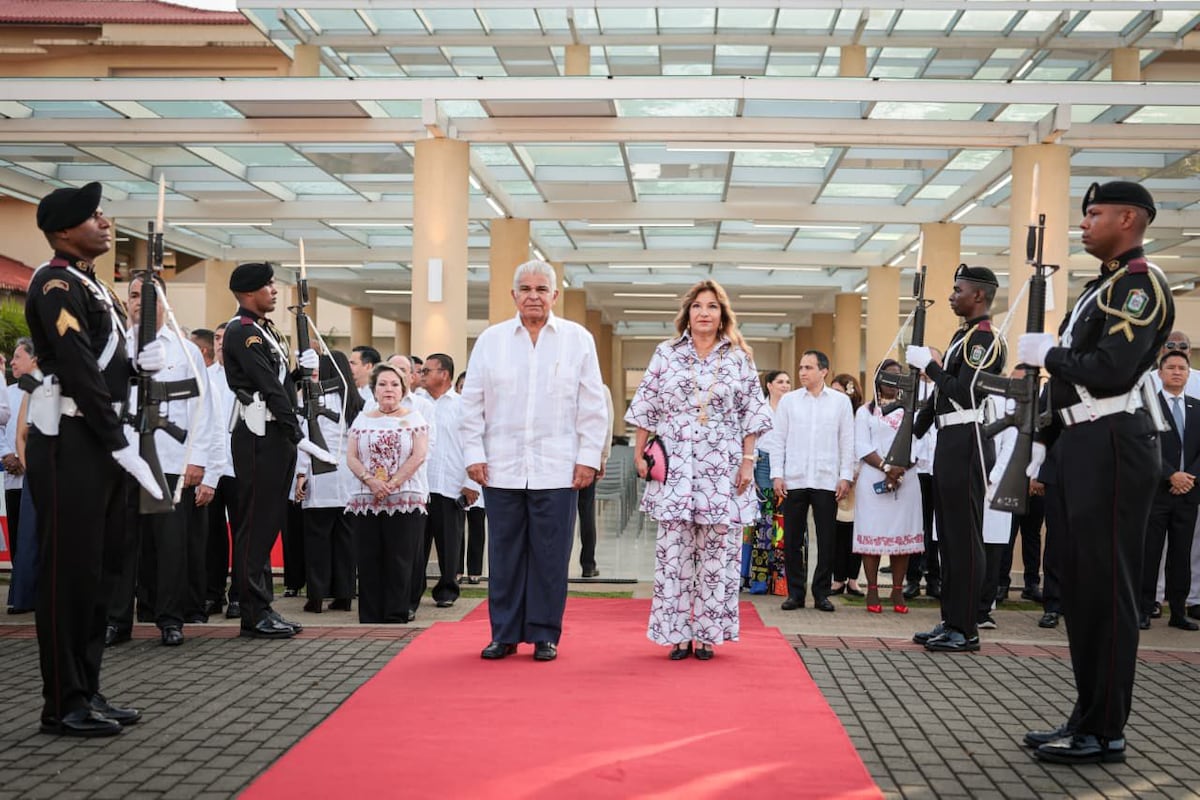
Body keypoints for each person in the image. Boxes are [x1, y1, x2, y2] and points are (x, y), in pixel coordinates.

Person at [1019, 180, 1173, 764]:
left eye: (1094, 213)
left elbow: (1112, 368)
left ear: (1129, 218)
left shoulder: (1141, 284)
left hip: (1113, 440)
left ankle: (1106, 729)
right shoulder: (1106, 284)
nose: (1083, 223)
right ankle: (1086, 714)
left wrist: (1049, 355)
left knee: (1106, 590)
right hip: (1083, 441)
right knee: (1082, 590)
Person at [25, 182, 164, 736]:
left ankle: (87, 687)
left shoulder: (91, 283)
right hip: (73, 442)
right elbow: (79, 368)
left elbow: (103, 364)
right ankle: (62, 701)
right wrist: (118, 440)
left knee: (101, 574)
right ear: (63, 230)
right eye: (93, 215)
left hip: (97, 442)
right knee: (68, 576)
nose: (105, 222)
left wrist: (136, 368)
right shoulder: (55, 282)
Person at [461, 259, 607, 662]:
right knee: (504, 554)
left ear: (555, 296)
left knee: (549, 555)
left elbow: (593, 405)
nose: (533, 296)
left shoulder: (577, 340)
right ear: (513, 295)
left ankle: (545, 633)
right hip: (501, 466)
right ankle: (503, 633)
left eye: (542, 289)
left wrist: (587, 459)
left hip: (558, 468)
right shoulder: (491, 340)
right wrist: (473, 454)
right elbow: (471, 403)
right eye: (525, 288)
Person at [627, 279, 769, 660]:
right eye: (697, 306)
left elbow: (752, 415)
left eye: (712, 306)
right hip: (673, 464)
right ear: (686, 314)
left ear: (722, 315)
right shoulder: (666, 353)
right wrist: (640, 454)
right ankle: (677, 634)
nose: (704, 312)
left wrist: (748, 461)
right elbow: (646, 407)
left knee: (716, 553)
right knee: (673, 551)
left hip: (721, 463)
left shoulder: (739, 357)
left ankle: (708, 634)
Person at [108, 275, 223, 647]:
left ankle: (170, 619)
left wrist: (201, 460)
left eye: (148, 295)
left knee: (170, 547)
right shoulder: (114, 347)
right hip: (123, 460)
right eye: (134, 295)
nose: (139, 301)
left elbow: (205, 411)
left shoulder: (186, 352)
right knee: (121, 546)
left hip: (170, 462)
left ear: (164, 303)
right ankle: (116, 620)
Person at [222, 260, 331, 639]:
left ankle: (261, 607)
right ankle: (253, 613)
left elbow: (281, 383)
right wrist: (298, 432)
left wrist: (302, 373)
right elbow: (267, 386)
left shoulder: (267, 331)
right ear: (248, 293)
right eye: (267, 285)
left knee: (267, 525)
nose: (274, 290)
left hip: (275, 436)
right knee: (255, 525)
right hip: (259, 436)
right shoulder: (243, 332)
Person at [908, 264, 1005, 654]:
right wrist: (912, 433)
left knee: (964, 539)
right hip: (950, 437)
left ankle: (967, 628)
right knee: (948, 538)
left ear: (978, 295)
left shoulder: (984, 339)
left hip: (968, 440)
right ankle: (952, 620)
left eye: (957, 289)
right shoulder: (962, 335)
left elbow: (965, 393)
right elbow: (941, 396)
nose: (952, 295)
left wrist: (928, 366)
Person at [769, 350, 855, 613]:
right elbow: (778, 439)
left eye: (808, 367)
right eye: (801, 367)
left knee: (827, 540)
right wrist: (777, 473)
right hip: (794, 479)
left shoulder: (840, 402)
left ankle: (821, 593)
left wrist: (845, 476)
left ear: (823, 371)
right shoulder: (789, 401)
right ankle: (796, 593)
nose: (802, 372)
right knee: (792, 540)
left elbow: (846, 441)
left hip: (827, 479)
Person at [346, 362, 429, 623]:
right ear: (374, 390)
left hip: (403, 497)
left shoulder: (414, 418)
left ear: (404, 389)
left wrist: (392, 483)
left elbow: (418, 455)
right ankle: (370, 614)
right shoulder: (362, 419)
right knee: (369, 557)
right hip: (367, 497)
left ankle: (396, 613)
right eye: (382, 384)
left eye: (394, 384)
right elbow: (351, 456)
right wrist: (370, 480)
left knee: (399, 558)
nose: (388, 389)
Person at [852, 360, 924, 614]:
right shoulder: (865, 412)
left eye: (898, 376)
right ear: (878, 379)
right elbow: (861, 446)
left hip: (906, 480)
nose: (894, 381)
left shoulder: (911, 410)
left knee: (900, 536)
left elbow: (919, 443)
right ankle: (872, 589)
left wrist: (899, 470)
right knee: (872, 534)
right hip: (874, 480)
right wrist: (886, 469)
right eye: (889, 376)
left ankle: (897, 590)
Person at [296, 350, 362, 613]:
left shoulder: (315, 400)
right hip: (349, 479)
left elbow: (306, 441)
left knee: (317, 540)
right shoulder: (357, 401)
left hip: (320, 474)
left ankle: (316, 595)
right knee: (345, 541)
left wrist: (300, 474)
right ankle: (344, 595)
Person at [1139, 350, 1199, 631]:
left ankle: (1178, 611)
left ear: (1189, 374)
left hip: (1188, 493)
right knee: (1149, 553)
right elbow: (1145, 447)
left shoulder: (1197, 408)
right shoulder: (1148, 407)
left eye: (1182, 368)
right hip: (1156, 493)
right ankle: (1143, 608)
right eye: (1171, 367)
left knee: (1181, 555)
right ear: (1160, 374)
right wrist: (1170, 475)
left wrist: (1189, 478)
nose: (1177, 372)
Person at [416, 353, 478, 608]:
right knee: (417, 544)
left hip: (451, 485)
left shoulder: (463, 406)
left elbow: (474, 444)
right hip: (419, 485)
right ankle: (413, 591)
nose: (422, 376)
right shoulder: (416, 404)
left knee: (450, 543)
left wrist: (471, 483)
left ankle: (447, 590)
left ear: (444, 374)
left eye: (427, 371)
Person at [203, 321, 243, 620]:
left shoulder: (245, 375)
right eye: (216, 338)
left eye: (225, 338)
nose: (220, 343)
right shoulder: (204, 377)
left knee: (243, 533)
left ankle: (241, 596)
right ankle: (211, 594)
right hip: (211, 468)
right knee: (211, 535)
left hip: (241, 466)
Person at [744, 370, 789, 595]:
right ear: (769, 385)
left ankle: (780, 581)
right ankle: (759, 579)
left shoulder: (793, 407)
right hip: (761, 465)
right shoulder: (759, 408)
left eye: (788, 382)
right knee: (763, 524)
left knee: (782, 526)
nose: (785, 385)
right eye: (780, 382)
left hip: (787, 466)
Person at [4, 340, 35, 614]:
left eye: (18, 357)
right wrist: (10, 455)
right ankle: (21, 593)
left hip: (36, 475)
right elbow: (10, 431)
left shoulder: (45, 389)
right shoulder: (12, 393)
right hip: (16, 474)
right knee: (18, 535)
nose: (12, 363)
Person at [830, 372, 864, 597]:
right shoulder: (827, 416)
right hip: (831, 476)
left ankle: (853, 578)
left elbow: (860, 447)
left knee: (855, 530)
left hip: (857, 478)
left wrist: (853, 473)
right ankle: (837, 578)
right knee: (835, 531)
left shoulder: (859, 416)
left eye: (839, 392)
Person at [578, 384, 614, 578]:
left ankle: (560, 563)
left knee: (561, 515)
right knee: (586, 512)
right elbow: (606, 425)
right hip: (587, 458)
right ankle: (588, 565)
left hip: (566, 458)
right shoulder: (601, 389)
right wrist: (603, 457)